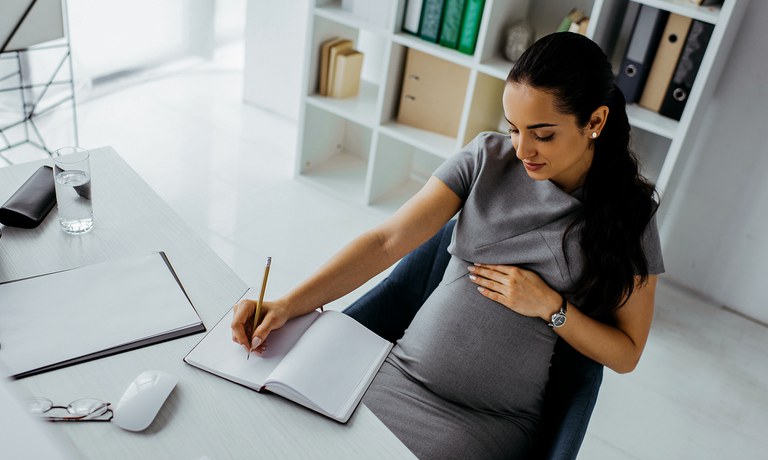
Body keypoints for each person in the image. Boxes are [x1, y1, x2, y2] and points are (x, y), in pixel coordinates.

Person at [231, 32, 664, 459]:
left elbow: (626, 354)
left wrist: (550, 306)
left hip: (483, 420)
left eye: (543, 134)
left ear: (595, 122)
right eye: (513, 128)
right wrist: (287, 304)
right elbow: (386, 241)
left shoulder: (629, 217)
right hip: (394, 375)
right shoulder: (487, 159)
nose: (523, 149)